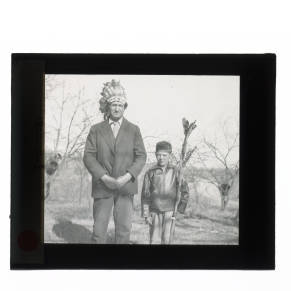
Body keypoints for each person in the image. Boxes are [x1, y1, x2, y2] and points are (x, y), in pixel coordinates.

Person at [83, 79, 147, 244]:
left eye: (120, 105)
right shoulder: (96, 130)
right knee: (98, 231)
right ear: (107, 107)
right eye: (113, 105)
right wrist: (105, 178)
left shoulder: (133, 129)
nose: (117, 108)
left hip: (125, 188)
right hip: (102, 186)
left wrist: (124, 178)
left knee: (124, 231)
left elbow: (141, 157)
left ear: (125, 107)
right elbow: (89, 156)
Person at [141, 141, 189, 244]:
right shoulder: (150, 172)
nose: (161, 157)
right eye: (159, 155)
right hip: (154, 211)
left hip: (170, 211)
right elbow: (145, 195)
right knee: (154, 239)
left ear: (170, 155)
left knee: (167, 239)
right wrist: (146, 214)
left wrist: (180, 210)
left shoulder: (176, 171)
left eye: (164, 155)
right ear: (155, 154)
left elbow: (185, 192)